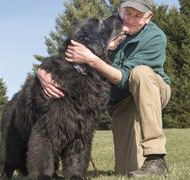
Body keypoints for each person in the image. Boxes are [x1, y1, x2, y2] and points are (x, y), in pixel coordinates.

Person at [37, 0, 171, 177]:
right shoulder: (107, 26)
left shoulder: (154, 36)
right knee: (125, 171)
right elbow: (68, 51)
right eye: (127, 13)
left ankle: (156, 158)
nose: (130, 19)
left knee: (141, 73)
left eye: (137, 15)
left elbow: (124, 78)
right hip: (121, 102)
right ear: (119, 10)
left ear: (148, 17)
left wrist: (91, 59)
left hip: (150, 90)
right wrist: (42, 71)